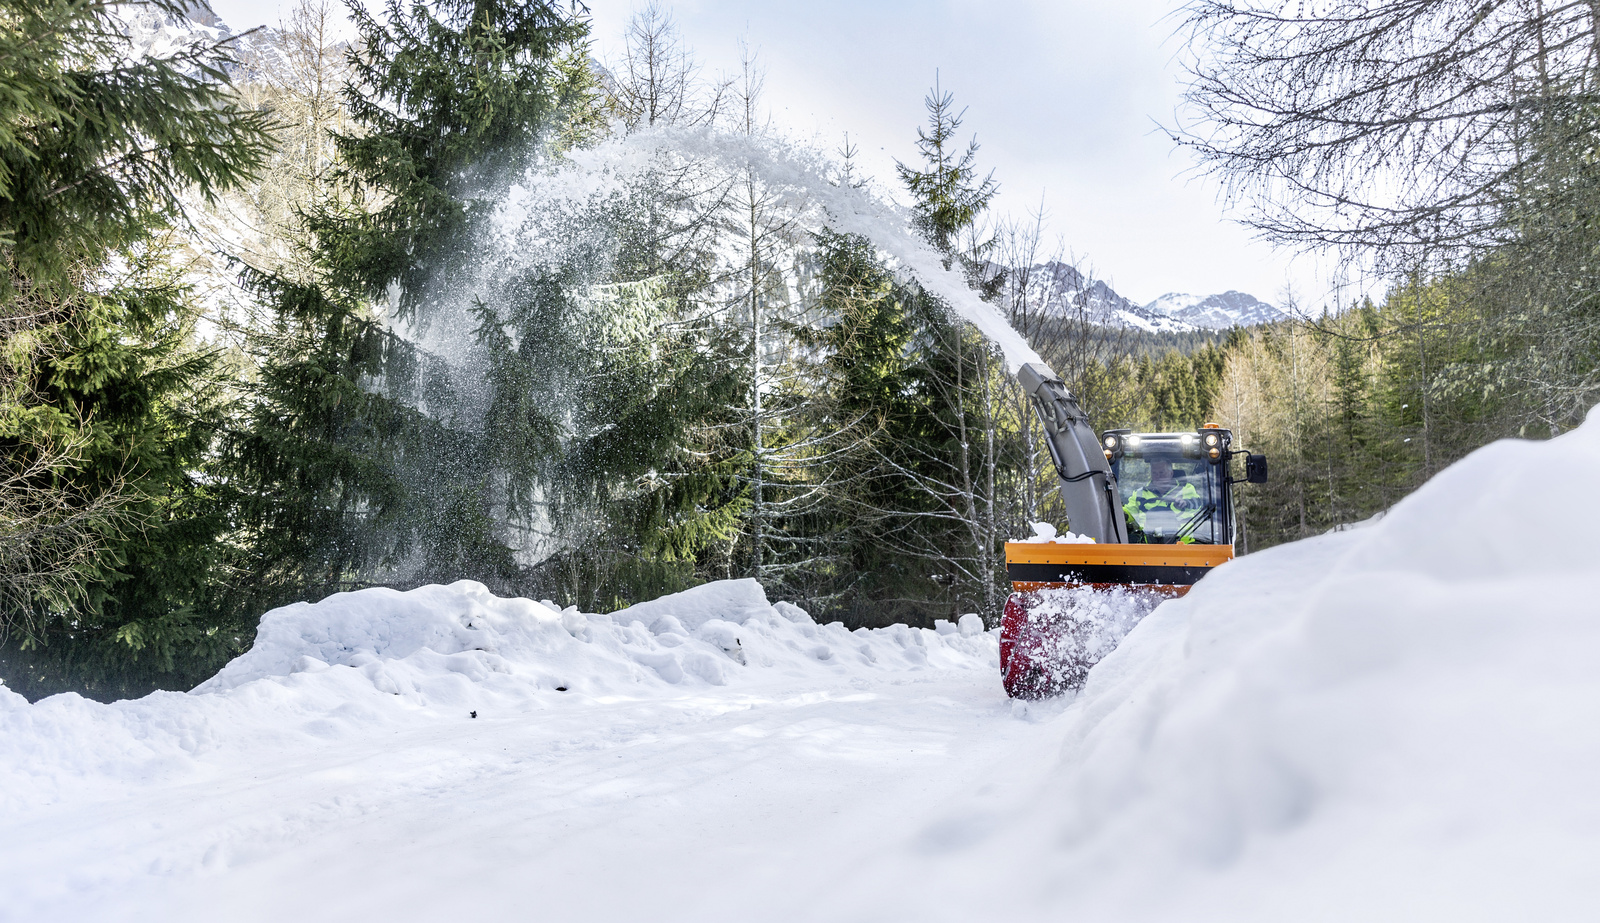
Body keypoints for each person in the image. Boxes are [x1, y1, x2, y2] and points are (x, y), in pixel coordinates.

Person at [1123, 458, 1203, 543]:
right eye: (1155, 473)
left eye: (1161, 472)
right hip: (1147, 545)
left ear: (1171, 473)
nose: (1158, 476)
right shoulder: (1140, 493)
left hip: (1184, 546)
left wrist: (1186, 503)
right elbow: (1129, 513)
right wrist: (1116, 512)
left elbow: (1198, 505)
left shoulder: (1186, 489)